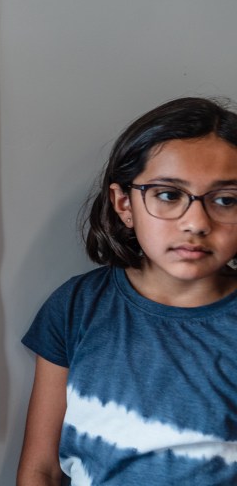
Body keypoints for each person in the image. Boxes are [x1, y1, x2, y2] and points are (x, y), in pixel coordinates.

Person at [17, 97, 237, 485]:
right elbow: (41, 469)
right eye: (169, 195)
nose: (197, 223)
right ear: (124, 204)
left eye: (225, 200)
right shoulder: (76, 307)